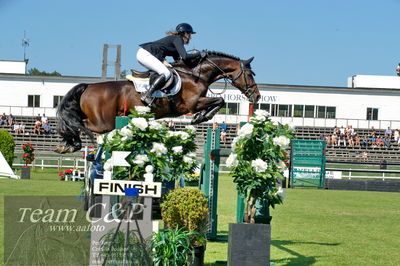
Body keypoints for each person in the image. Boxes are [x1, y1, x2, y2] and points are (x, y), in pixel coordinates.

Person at [137, 23, 204, 106]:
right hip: (146, 54)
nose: (190, 37)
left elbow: (179, 61)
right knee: (166, 73)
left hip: (145, 54)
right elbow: (185, 56)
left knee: (168, 70)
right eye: (189, 34)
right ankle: (148, 94)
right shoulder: (178, 39)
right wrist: (199, 54)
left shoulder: (176, 43)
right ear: (185, 33)